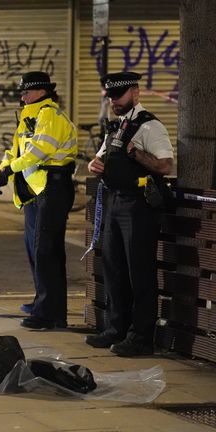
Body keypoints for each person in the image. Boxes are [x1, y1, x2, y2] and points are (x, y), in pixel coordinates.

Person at [85, 72, 173, 357]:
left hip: (138, 205)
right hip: (114, 202)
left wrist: (136, 154)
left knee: (139, 273)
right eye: (110, 97)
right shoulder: (115, 127)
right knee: (113, 268)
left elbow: (164, 166)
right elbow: (99, 158)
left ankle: (141, 337)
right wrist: (94, 165)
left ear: (135, 94)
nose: (114, 102)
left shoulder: (150, 126)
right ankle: (115, 328)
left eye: (119, 96)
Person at [0, 71, 78, 330]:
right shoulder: (30, 115)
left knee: (46, 252)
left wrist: (12, 169)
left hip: (52, 190)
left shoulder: (49, 115)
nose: (22, 96)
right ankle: (42, 302)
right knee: (36, 251)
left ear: (41, 91)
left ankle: (50, 314)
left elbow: (38, 152)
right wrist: (1, 171)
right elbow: (16, 150)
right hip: (35, 193)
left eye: (26, 91)